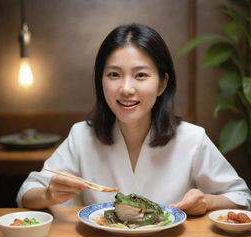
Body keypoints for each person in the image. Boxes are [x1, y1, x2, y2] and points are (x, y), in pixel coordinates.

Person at [17, 23, 251, 215]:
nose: (126, 88)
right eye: (114, 75)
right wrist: (48, 194)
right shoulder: (81, 136)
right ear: (101, 80)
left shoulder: (192, 138)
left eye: (140, 75)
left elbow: (242, 197)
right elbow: (27, 192)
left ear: (161, 83)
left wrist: (206, 201)